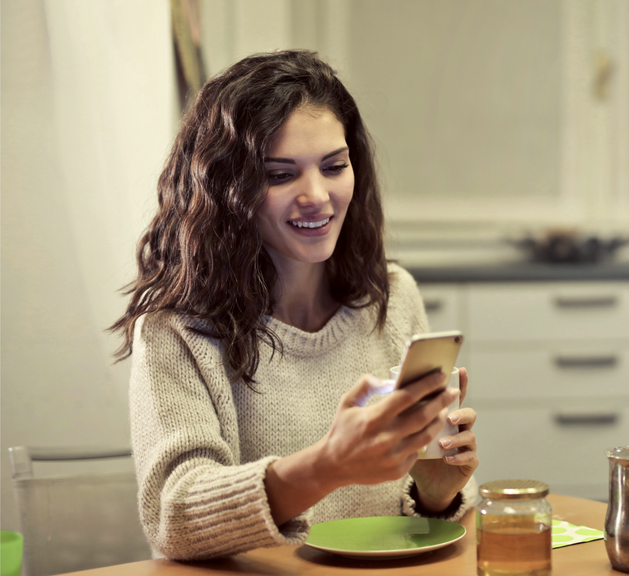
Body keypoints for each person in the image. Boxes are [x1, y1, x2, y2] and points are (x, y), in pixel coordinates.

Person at [109, 50, 479, 560]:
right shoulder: (175, 331)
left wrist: (434, 491)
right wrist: (329, 464)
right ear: (225, 189)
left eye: (334, 166)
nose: (318, 196)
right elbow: (177, 520)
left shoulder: (391, 300)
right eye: (280, 175)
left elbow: (413, 519)